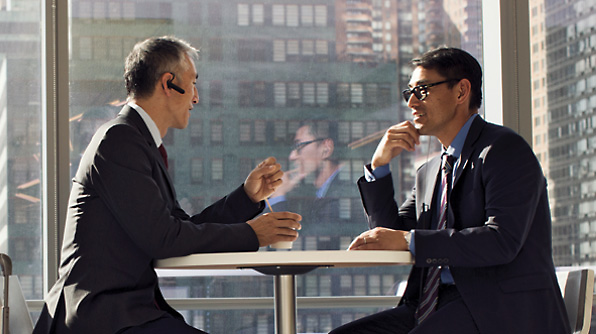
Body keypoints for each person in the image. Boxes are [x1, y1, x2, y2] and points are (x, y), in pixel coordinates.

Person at [33, 36, 301, 334]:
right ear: (168, 83)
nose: (196, 97)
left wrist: (247, 198)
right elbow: (165, 238)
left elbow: (178, 229)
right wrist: (252, 234)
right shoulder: (119, 141)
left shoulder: (137, 142)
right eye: (193, 83)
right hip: (101, 317)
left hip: (125, 314)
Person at [330, 47, 570, 334]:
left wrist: (408, 240)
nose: (412, 103)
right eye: (410, 93)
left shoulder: (503, 150)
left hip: (496, 310)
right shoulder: (430, 171)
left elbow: (501, 240)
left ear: (461, 91)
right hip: (434, 306)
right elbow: (390, 234)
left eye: (423, 90)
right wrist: (379, 165)